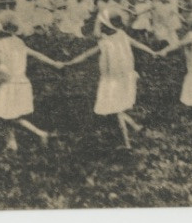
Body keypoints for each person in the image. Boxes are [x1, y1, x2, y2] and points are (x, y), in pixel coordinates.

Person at [65, 13, 160, 149]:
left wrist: (70, 63)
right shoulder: (122, 35)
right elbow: (137, 44)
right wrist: (151, 51)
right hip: (125, 77)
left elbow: (87, 54)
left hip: (113, 80)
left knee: (116, 109)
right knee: (118, 109)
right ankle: (135, 126)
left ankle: (127, 144)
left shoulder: (105, 42)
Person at [0, 13, 64, 151]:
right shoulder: (19, 42)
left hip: (9, 85)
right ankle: (11, 143)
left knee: (8, 116)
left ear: (1, 27)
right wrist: (54, 63)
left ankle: (40, 133)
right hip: (22, 82)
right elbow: (37, 54)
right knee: (9, 114)